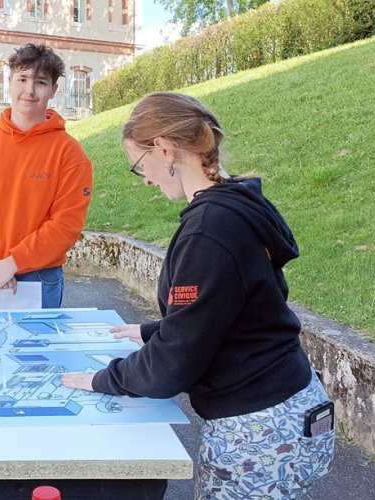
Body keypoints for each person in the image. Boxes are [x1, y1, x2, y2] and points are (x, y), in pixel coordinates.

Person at [61, 92, 335, 499]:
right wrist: (157, 330)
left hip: (257, 430)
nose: (146, 178)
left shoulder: (208, 229)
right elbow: (234, 304)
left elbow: (175, 364)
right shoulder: (237, 203)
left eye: (139, 166)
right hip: (293, 408)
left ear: (165, 149)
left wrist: (106, 378)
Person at [0, 43, 93, 310]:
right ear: (9, 83)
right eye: (22, 79)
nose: (29, 90)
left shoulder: (70, 154)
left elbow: (66, 225)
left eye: (40, 82)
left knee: (31, 353)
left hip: (38, 279)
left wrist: (12, 263)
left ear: (53, 90)